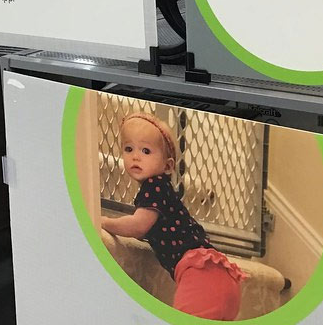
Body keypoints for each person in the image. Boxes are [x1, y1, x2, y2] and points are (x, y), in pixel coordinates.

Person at [101, 112, 245, 320]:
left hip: (201, 275)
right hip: (223, 278)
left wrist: (104, 221)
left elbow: (138, 225)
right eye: (128, 148)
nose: (135, 156)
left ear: (168, 166)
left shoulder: (154, 187)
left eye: (146, 150)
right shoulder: (164, 193)